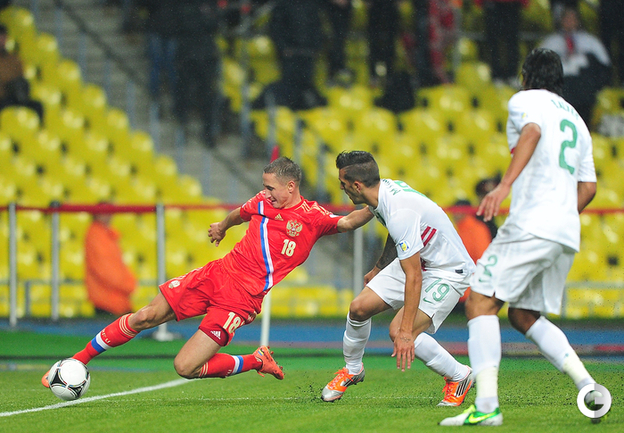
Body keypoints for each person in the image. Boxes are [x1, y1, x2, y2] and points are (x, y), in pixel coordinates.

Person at [42, 157, 372, 387]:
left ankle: (256, 360)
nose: (264, 192)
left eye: (270, 188)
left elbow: (347, 222)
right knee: (145, 316)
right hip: (217, 274)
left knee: (185, 367)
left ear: (290, 186)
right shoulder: (262, 202)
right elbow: (239, 213)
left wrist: (376, 203)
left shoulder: (313, 217)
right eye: (263, 187)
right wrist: (222, 227)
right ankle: (77, 360)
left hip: (240, 300)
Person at [440, 48, 602, 426]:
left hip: (532, 222)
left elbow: (532, 131)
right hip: (564, 231)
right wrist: (561, 216)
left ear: (525, 77)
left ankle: (487, 406)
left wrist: (504, 186)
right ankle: (589, 386)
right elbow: (589, 187)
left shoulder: (525, 101)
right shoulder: (577, 120)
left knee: (479, 302)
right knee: (523, 314)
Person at [321, 151, 476, 407]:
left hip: (447, 270)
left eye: (343, 183)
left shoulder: (399, 211)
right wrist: (379, 267)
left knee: (399, 332)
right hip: (419, 259)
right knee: (359, 308)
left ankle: (459, 376)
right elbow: (393, 232)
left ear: (357, 185)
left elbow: (413, 276)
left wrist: (405, 332)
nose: (341, 188)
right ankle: (353, 369)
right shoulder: (382, 193)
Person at [539, 6, 611, 126]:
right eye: (566, 18)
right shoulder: (550, 42)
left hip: (584, 87)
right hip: (561, 86)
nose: (569, 22)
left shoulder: (591, 41)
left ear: (578, 21)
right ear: (561, 21)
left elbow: (604, 65)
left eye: (572, 19)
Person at [84, 204, 137, 316]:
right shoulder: (97, 235)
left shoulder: (105, 234)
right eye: (105, 212)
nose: (109, 216)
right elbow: (106, 270)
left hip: (114, 298)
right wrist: (128, 284)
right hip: (108, 299)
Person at [475, 0, 528, 86]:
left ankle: (512, 74)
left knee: (512, 41)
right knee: (494, 42)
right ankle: (497, 75)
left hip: (511, 4)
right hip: (493, 4)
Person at [450, 199, 492, 303]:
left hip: (468, 288)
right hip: (469, 286)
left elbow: (480, 257)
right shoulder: (468, 228)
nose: (453, 214)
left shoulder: (472, 229)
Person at [0, 24, 44, 122]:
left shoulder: (14, 59)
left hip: (15, 96)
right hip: (3, 98)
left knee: (37, 106)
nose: (1, 41)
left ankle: (37, 129)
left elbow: (21, 78)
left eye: (3, 38)